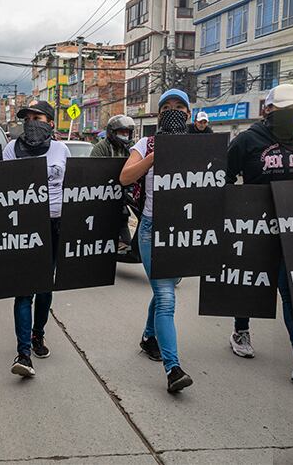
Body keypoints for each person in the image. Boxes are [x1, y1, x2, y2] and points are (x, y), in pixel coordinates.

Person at [220, 83, 293, 383]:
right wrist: (231, 210)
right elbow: (224, 175)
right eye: (283, 111)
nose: (288, 116)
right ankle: (240, 331)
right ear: (267, 110)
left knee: (292, 289)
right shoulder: (247, 140)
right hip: (254, 226)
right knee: (248, 282)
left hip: (290, 232)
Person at [119, 88, 195, 393]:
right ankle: (172, 368)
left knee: (165, 285)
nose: (173, 111)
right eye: (167, 107)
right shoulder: (145, 143)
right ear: (158, 113)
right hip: (152, 229)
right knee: (166, 296)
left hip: (185, 231)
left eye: (180, 107)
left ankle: (149, 336)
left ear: (189, 114)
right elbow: (125, 177)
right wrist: (152, 157)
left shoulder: (199, 146)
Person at [1, 100, 69, 378]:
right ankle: (23, 352)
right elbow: (1, 188)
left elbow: (75, 187)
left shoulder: (62, 150)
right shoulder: (11, 149)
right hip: (24, 225)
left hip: (55, 224)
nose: (31, 121)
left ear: (51, 123)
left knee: (45, 288)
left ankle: (38, 334)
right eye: (27, 118)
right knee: (23, 289)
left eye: (37, 117)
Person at [91, 115, 136, 253]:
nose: (125, 135)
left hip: (124, 194)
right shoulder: (101, 148)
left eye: (127, 132)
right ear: (112, 132)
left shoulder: (132, 148)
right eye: (121, 132)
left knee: (123, 219)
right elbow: (94, 172)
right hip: (104, 195)